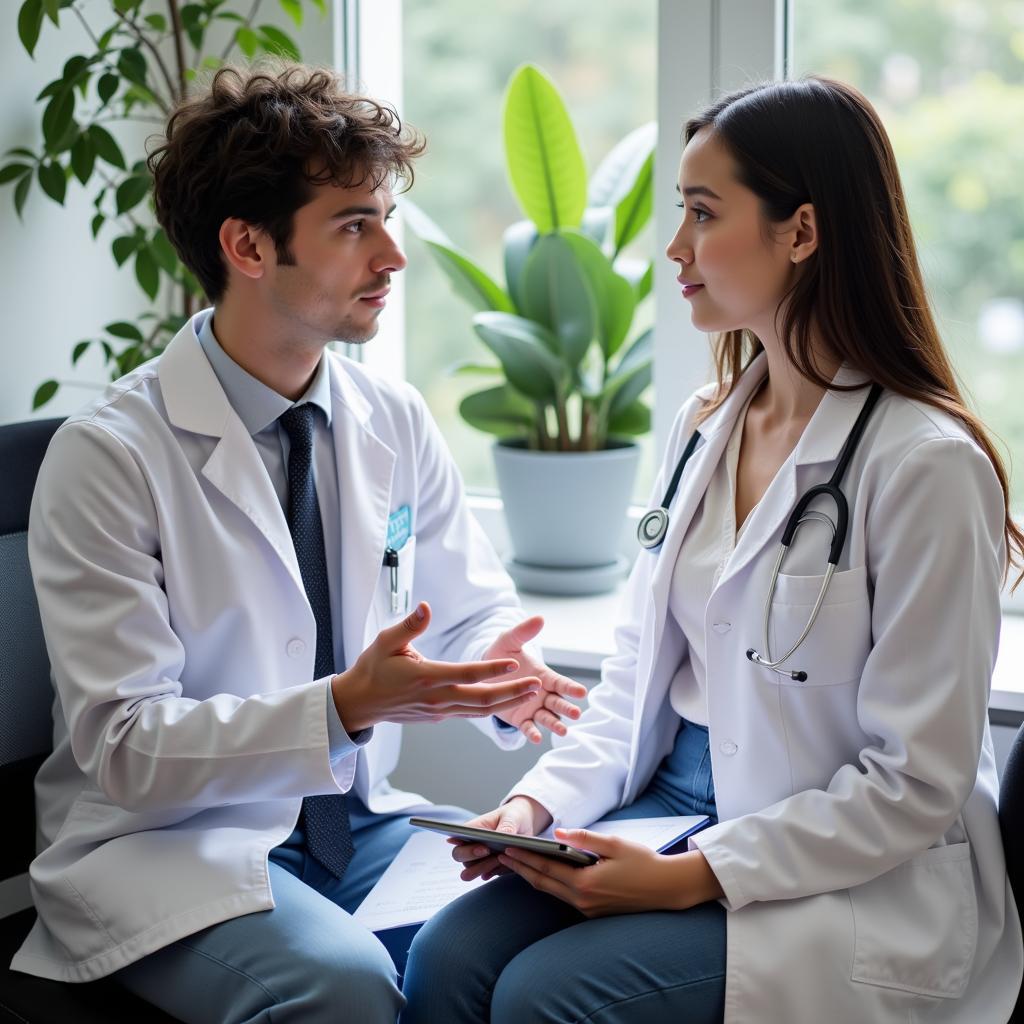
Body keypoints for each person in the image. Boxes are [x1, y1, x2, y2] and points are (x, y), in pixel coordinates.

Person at [401, 76, 1024, 1024]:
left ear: (802, 232)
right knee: (447, 957)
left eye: (702, 213)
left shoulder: (927, 465)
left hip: (849, 868)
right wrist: (532, 811)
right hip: (676, 797)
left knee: (545, 997)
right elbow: (633, 683)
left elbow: (916, 784)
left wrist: (698, 875)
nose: (676, 248)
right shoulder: (703, 427)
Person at [10, 64, 587, 1024]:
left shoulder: (390, 418)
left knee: (526, 946)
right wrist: (341, 709)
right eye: (355, 224)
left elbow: (464, 607)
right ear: (246, 245)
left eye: (387, 219)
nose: (393, 256)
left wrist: (497, 669)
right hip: (166, 846)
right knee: (348, 989)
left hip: (357, 829)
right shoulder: (109, 456)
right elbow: (122, 747)